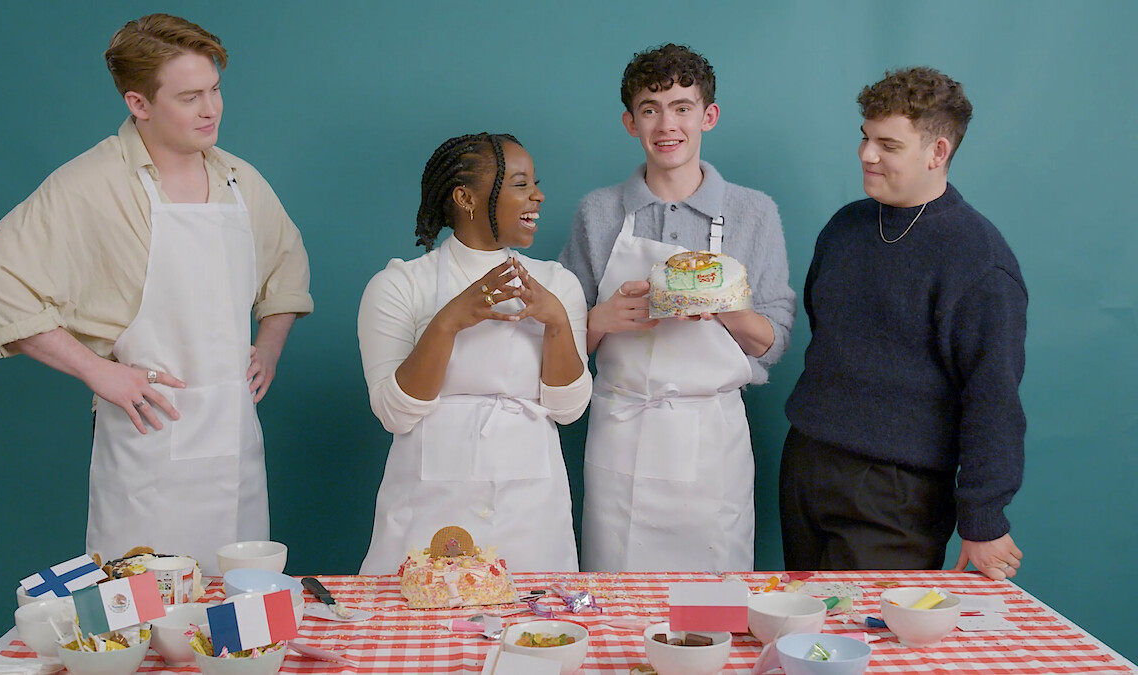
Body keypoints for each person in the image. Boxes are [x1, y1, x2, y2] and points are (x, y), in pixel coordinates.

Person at [0, 14, 312, 575]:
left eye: (215, 90)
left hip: (234, 441)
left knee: (237, 619)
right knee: (141, 615)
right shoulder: (91, 185)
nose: (211, 109)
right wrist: (99, 372)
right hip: (149, 449)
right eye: (189, 96)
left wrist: (268, 345)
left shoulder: (240, 180)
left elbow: (287, 268)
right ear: (139, 103)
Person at [781, 67, 1026, 580]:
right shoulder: (845, 227)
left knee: (867, 649)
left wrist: (982, 519)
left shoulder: (978, 261)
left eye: (887, 144)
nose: (866, 155)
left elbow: (992, 394)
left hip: (896, 492)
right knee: (801, 636)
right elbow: (823, 323)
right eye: (866, 138)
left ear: (937, 152)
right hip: (807, 463)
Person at [559, 44, 796, 572]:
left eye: (683, 107)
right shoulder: (598, 213)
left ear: (707, 116)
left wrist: (726, 306)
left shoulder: (752, 213)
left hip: (711, 435)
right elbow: (559, 339)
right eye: (650, 109)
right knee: (618, 596)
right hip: (623, 429)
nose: (667, 124)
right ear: (630, 122)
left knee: (712, 603)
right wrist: (599, 320)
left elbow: (773, 340)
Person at [357, 133, 590, 574]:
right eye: (520, 184)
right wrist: (447, 322)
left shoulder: (557, 285)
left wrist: (556, 321)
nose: (537, 196)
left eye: (534, 183)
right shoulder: (400, 286)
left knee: (532, 627)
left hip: (532, 507)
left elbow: (568, 408)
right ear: (465, 197)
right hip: (430, 505)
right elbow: (395, 413)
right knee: (424, 621)